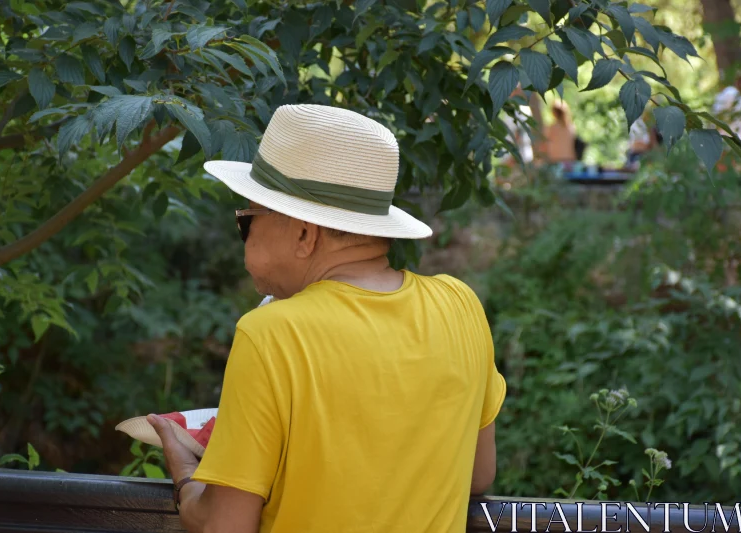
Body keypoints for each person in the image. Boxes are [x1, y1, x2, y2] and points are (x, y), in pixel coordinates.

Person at [147, 104, 506, 533]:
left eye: (248, 220)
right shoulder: (460, 304)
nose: (242, 232)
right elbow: (478, 474)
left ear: (304, 234)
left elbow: (223, 527)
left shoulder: (272, 334)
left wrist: (187, 477)